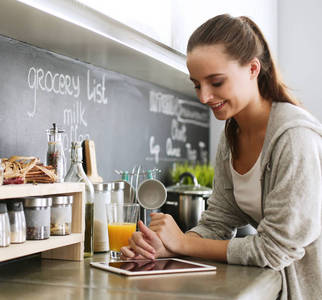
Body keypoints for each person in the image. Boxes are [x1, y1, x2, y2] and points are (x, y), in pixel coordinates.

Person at [121, 14, 322, 300]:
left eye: (215, 82)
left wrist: (184, 244)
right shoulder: (232, 134)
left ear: (253, 69)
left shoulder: (294, 137)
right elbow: (219, 221)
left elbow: (275, 249)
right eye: (196, 84)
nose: (203, 97)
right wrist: (166, 246)